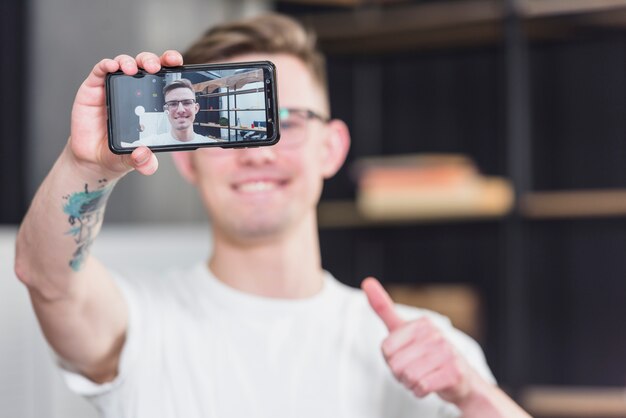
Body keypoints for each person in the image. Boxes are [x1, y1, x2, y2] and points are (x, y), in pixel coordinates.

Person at [14, 13, 530, 418]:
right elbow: (47, 278)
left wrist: (470, 397)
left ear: (332, 148)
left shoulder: (429, 346)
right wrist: (86, 165)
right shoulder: (139, 323)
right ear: (188, 158)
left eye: (284, 121)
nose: (258, 152)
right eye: (229, 126)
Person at [123, 78, 212, 147]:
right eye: (173, 104)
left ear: (196, 108)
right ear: (166, 109)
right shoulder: (153, 143)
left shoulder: (211, 146)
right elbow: (130, 148)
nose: (180, 110)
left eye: (187, 102)